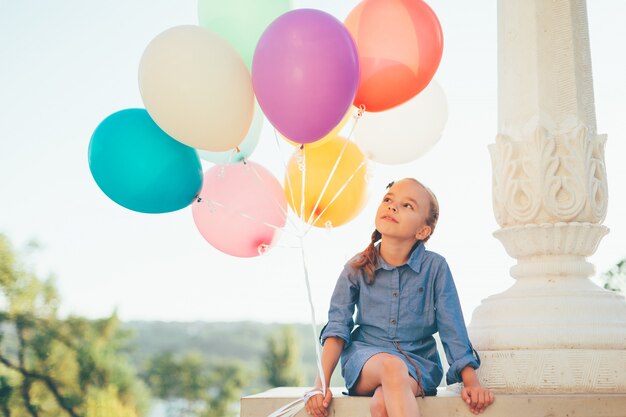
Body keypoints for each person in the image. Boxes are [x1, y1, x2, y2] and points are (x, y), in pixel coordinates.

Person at [304, 178, 495, 417]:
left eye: (408, 206)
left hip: (418, 364)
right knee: (393, 367)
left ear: (423, 231)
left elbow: (452, 327)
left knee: (383, 403)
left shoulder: (436, 268)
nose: (393, 206)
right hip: (365, 361)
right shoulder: (356, 267)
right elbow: (337, 327)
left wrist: (471, 383)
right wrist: (320, 384)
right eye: (388, 199)